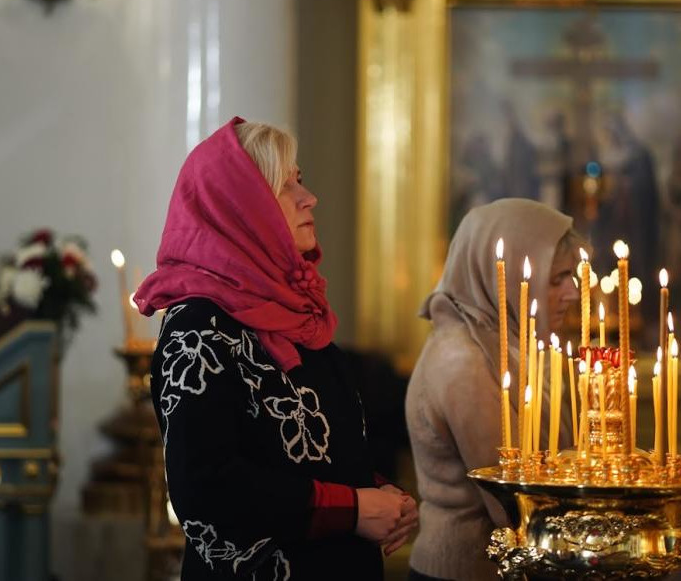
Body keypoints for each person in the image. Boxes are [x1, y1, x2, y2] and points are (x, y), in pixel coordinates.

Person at [134, 117, 418, 580]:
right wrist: (353, 508)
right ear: (243, 208)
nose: (310, 198)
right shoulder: (198, 329)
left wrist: (383, 496)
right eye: (285, 187)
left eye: (300, 180)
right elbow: (205, 490)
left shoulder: (299, 315)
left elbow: (320, 455)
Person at [405, 199, 586, 581]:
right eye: (556, 280)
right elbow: (512, 505)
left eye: (572, 277)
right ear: (502, 276)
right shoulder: (463, 360)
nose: (573, 294)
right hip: (465, 571)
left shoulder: (510, 344)